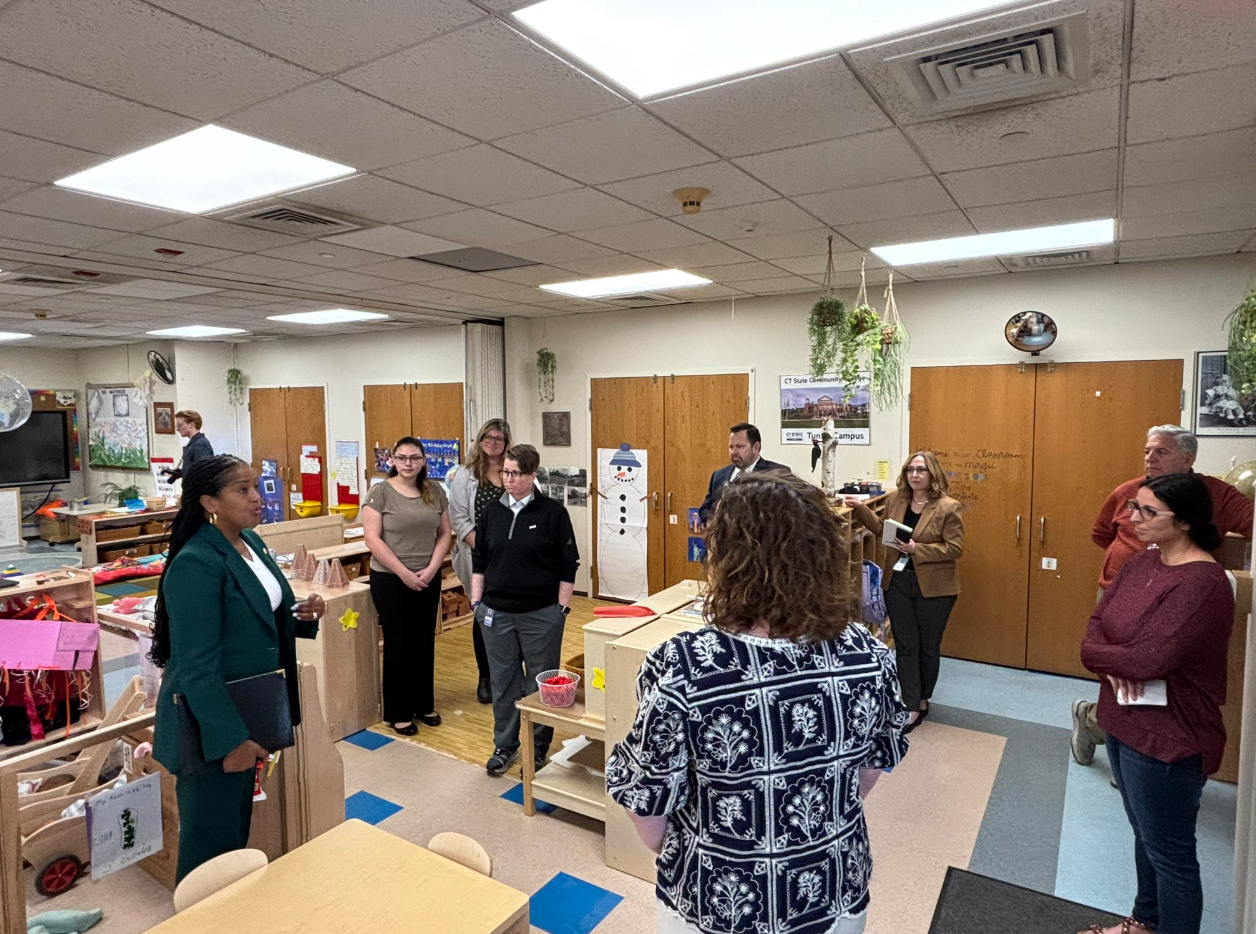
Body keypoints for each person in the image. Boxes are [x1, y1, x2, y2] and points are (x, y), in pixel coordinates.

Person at [607, 471, 909, 934]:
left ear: (727, 559)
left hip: (716, 902)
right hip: (833, 890)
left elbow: (647, 803)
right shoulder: (867, 654)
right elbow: (869, 770)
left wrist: (691, 846)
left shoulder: (683, 666)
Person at [149, 455, 325, 882]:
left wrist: (302, 617)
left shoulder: (251, 544)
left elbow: (258, 618)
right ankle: (198, 914)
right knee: (209, 846)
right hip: (212, 721)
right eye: (242, 490)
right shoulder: (196, 562)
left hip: (251, 706)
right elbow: (196, 666)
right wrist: (231, 740)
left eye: (256, 486)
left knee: (234, 830)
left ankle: (230, 910)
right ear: (210, 502)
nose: (257, 497)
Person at [1078, 473, 1235, 934]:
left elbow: (1151, 658)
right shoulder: (1142, 562)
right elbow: (1097, 625)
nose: (1133, 519)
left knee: (1171, 855)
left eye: (1148, 511)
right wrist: (1110, 657)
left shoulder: (1203, 582)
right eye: (1134, 507)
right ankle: (1145, 921)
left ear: (1184, 522)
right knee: (1144, 835)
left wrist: (1112, 657)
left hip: (1168, 736)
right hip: (1122, 718)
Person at [1071, 425, 1253, 767]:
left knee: (1153, 681)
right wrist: (1130, 559)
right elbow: (1101, 533)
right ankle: (1113, 736)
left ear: (1188, 459)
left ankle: (1104, 730)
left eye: (1161, 452)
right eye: (1147, 451)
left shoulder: (1214, 496)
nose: (1150, 458)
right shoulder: (1128, 491)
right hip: (1118, 592)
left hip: (1174, 601)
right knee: (1118, 679)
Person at [470, 444, 579, 775]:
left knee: (540, 683)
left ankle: (537, 748)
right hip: (496, 613)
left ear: (533, 475)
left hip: (541, 613)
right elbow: (480, 561)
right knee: (503, 681)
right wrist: (477, 603)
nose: (509, 479)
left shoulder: (552, 513)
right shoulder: (492, 512)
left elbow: (569, 564)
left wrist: (561, 608)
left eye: (516, 473)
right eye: (505, 472)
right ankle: (505, 745)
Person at [845, 451, 965, 731]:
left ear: (932, 474)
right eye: (910, 470)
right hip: (898, 583)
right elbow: (881, 530)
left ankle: (923, 698)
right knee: (906, 645)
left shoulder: (949, 507)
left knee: (928, 647)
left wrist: (916, 549)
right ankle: (911, 703)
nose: (914, 475)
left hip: (935, 588)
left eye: (920, 470)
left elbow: (955, 548)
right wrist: (860, 508)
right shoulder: (897, 500)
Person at [363, 437, 452, 736]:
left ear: (424, 460)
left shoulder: (434, 490)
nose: (408, 463)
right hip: (390, 578)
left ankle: (423, 704)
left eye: (414, 458)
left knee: (424, 640)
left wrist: (432, 568)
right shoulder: (380, 492)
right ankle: (399, 712)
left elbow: (445, 533)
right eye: (401, 458)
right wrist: (404, 574)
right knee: (398, 643)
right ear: (392, 460)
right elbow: (372, 539)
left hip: (427, 576)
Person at [448, 419, 512, 705]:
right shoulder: (466, 475)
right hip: (478, 556)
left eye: (499, 438)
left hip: (512, 558)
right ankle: (486, 676)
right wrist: (484, 549)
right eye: (488, 437)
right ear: (480, 439)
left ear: (506, 442)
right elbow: (458, 517)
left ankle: (510, 674)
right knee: (483, 614)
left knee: (512, 614)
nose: (493, 442)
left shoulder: (514, 469)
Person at [696, 422, 789, 527]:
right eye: (731, 447)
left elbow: (782, 514)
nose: (734, 452)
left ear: (756, 447)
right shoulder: (719, 476)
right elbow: (705, 510)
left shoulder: (776, 474)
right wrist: (719, 523)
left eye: (740, 446)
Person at [163, 410, 214, 483]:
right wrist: (180, 473)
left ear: (191, 425)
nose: (177, 429)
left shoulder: (200, 445)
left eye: (180, 425)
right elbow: (194, 469)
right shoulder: (194, 444)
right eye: (177, 426)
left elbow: (203, 473)